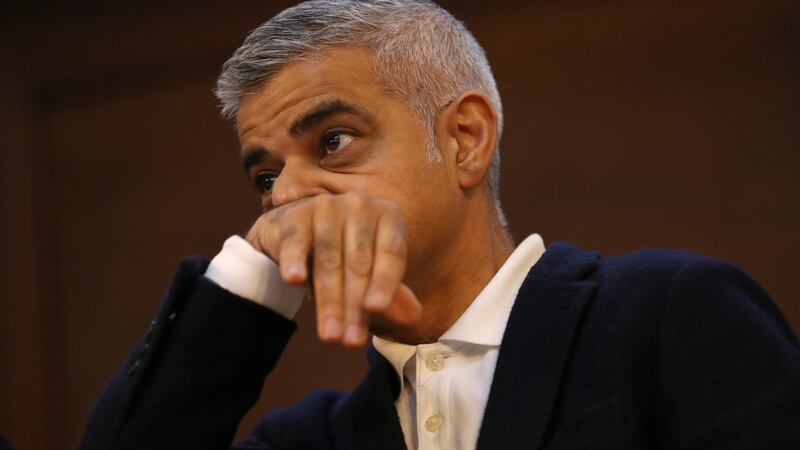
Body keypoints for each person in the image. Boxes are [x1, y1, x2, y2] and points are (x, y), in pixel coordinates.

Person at [77, 1, 800, 449]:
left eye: (332, 141)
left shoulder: (669, 314)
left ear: (464, 139)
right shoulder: (307, 438)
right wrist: (250, 280)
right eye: (265, 177)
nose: (288, 196)